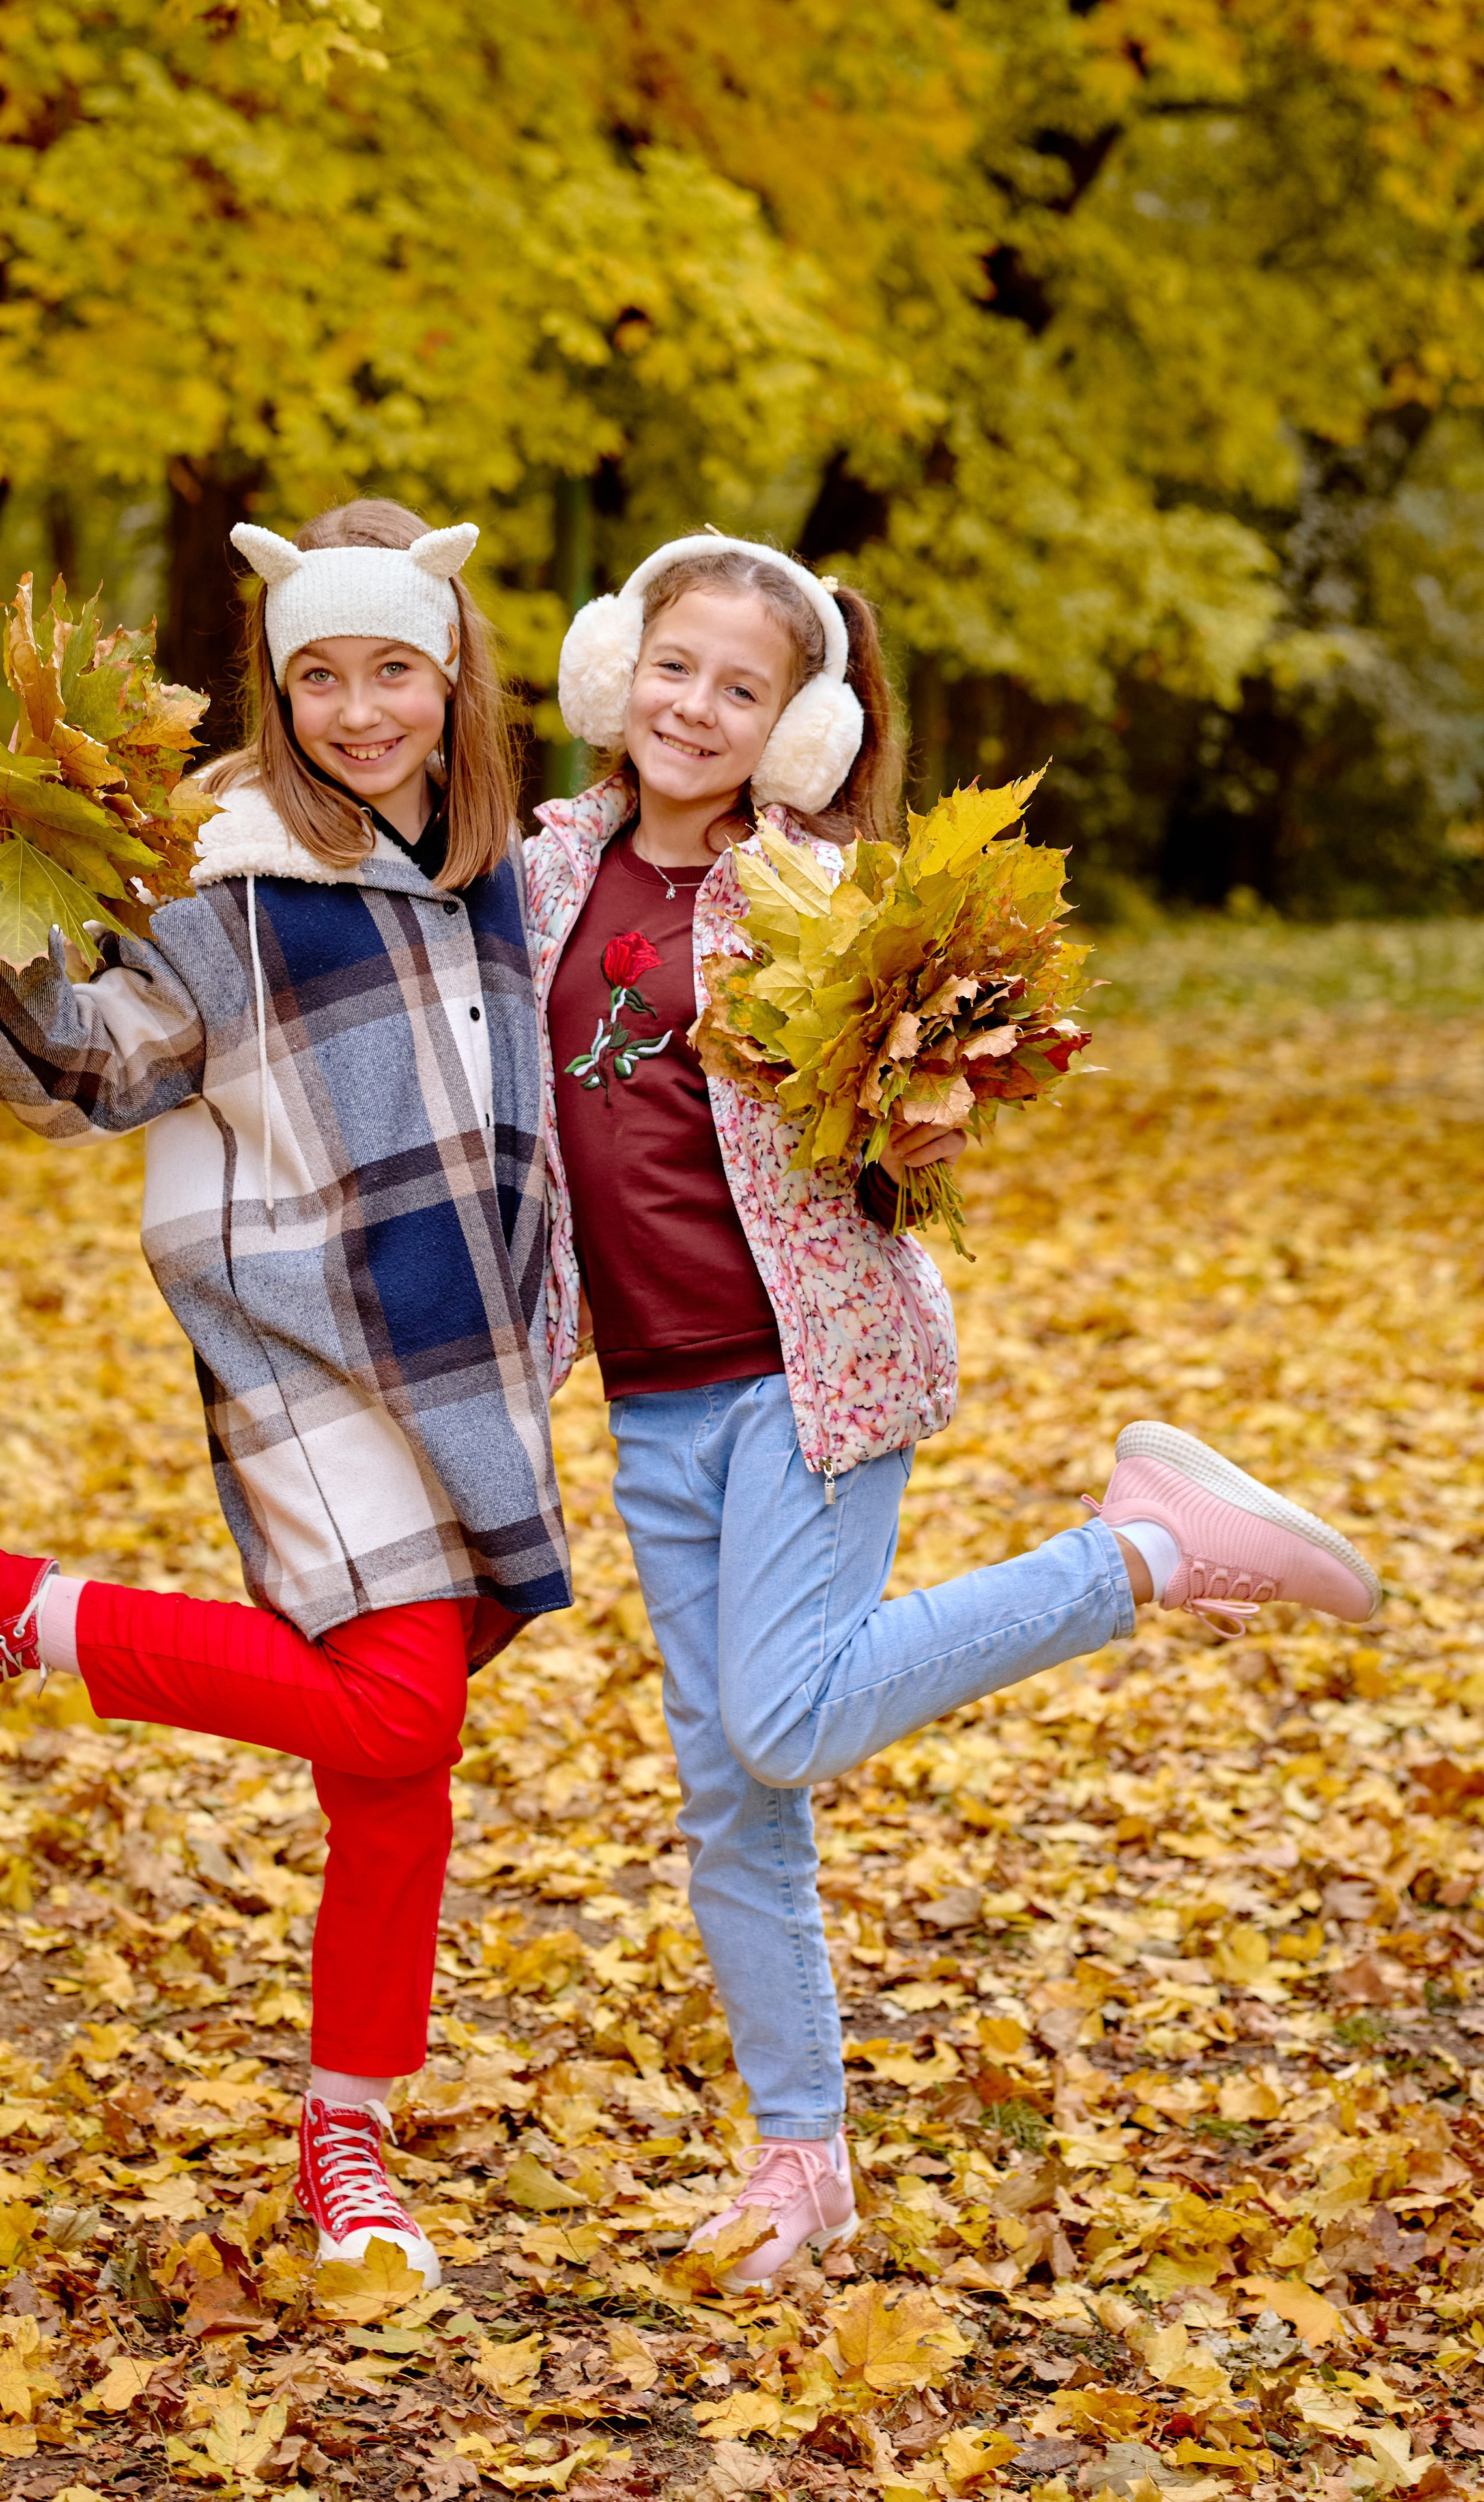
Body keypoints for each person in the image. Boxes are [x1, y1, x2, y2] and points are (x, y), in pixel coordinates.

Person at [526, 532, 1379, 2288]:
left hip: (816, 1379)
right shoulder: (542, 867)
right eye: (673, 668)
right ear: (617, 667)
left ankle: (1144, 1549)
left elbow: (913, 1105)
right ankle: (800, 2163)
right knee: (733, 1796)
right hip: (651, 1399)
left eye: (742, 688)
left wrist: (926, 1120)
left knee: (781, 1721)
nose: (697, 707)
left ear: (800, 728)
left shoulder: (818, 898)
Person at [0, 499, 570, 2288]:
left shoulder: (506, 869)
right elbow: (79, 1073)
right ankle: (17, 1610)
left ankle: (354, 2149)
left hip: (469, 1361)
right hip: (307, 1350)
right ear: (273, 685)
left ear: (452, 671)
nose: (358, 710)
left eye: (392, 668)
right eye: (316, 675)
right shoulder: (225, 881)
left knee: (399, 1772)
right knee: (399, 1715)